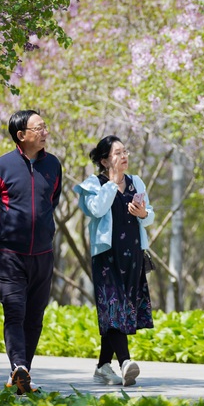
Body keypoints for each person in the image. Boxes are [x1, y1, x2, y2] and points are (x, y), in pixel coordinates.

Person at [0, 110, 62, 395]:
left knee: (35, 316)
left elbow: (51, 201)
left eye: (44, 127)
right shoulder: (1, 167)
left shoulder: (53, 165)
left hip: (43, 254)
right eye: (39, 128)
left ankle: (21, 372)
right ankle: (19, 365)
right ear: (21, 135)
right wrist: (6, 234)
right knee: (15, 311)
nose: (45, 132)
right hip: (9, 255)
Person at [73, 135, 155, 387]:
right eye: (117, 153)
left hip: (133, 256)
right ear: (104, 160)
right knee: (115, 305)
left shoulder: (136, 182)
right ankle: (126, 362)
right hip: (107, 258)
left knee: (118, 311)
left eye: (125, 152)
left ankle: (102, 367)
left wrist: (143, 213)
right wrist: (111, 183)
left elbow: (148, 216)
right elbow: (96, 209)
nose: (124, 156)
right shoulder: (93, 184)